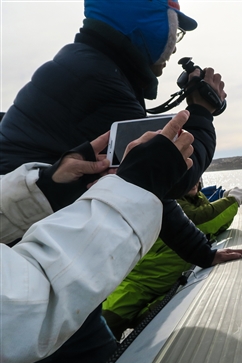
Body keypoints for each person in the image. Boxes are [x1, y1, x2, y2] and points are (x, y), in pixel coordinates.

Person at [0, 112, 242, 363]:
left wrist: (48, 186)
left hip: (76, 312)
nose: (168, 58)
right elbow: (15, 311)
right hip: (24, 331)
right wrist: (137, 187)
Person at [0, 0, 223, 269]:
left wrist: (203, 253)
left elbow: (143, 179)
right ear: (145, 25)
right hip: (23, 260)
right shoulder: (99, 80)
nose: (174, 47)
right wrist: (201, 112)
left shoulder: (89, 65)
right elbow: (172, 174)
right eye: (172, 32)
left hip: (30, 241)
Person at [102, 182, 242, 339]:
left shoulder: (199, 200)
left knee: (150, 322)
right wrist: (231, 201)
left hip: (170, 286)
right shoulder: (172, 202)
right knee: (106, 323)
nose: (193, 182)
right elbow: (203, 221)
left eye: (196, 177)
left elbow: (217, 225)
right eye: (186, 178)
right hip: (139, 282)